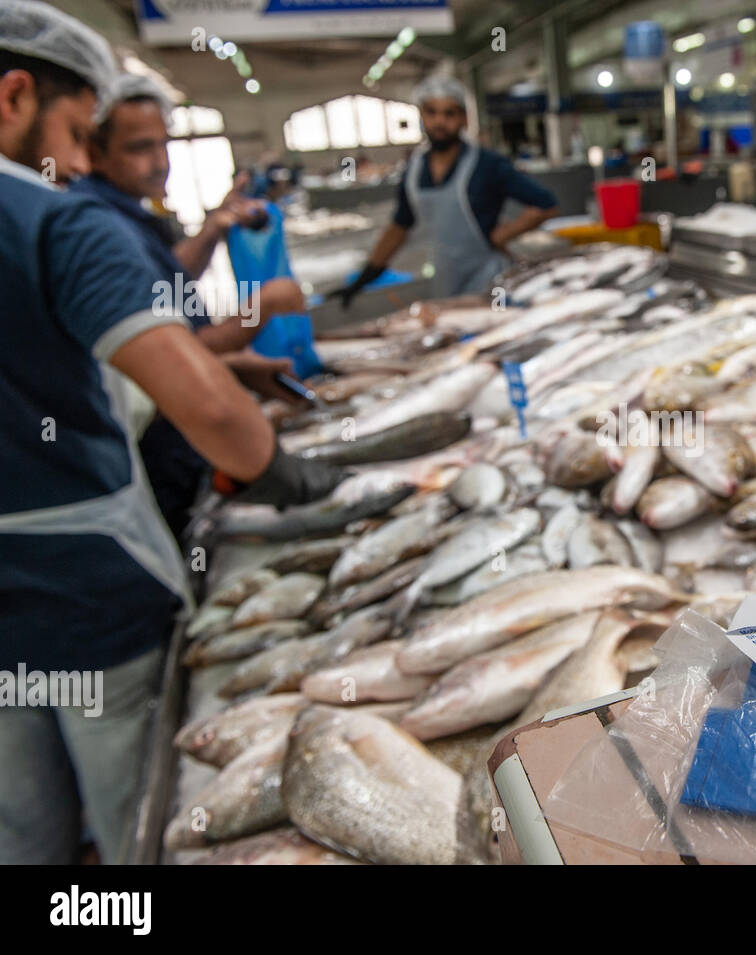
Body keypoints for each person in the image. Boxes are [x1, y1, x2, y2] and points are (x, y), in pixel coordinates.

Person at [0, 1, 344, 865]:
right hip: (83, 594)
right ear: (13, 97)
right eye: (82, 132)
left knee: (22, 826)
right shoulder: (54, 218)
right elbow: (207, 406)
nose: (78, 162)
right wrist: (279, 472)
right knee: (139, 825)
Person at [71, 72, 310, 538]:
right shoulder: (98, 227)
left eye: (164, 146)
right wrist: (259, 308)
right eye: (139, 148)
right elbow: (181, 346)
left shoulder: (125, 212)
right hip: (154, 453)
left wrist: (213, 228)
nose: (159, 163)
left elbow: (164, 290)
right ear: (93, 151)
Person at [331, 75, 559, 304]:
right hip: (447, 282)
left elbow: (546, 205)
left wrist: (502, 235)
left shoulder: (488, 164)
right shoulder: (414, 170)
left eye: (449, 113)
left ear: (464, 119)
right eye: (431, 112)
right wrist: (366, 277)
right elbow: (399, 227)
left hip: (492, 284)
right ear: (421, 116)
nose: (440, 122)